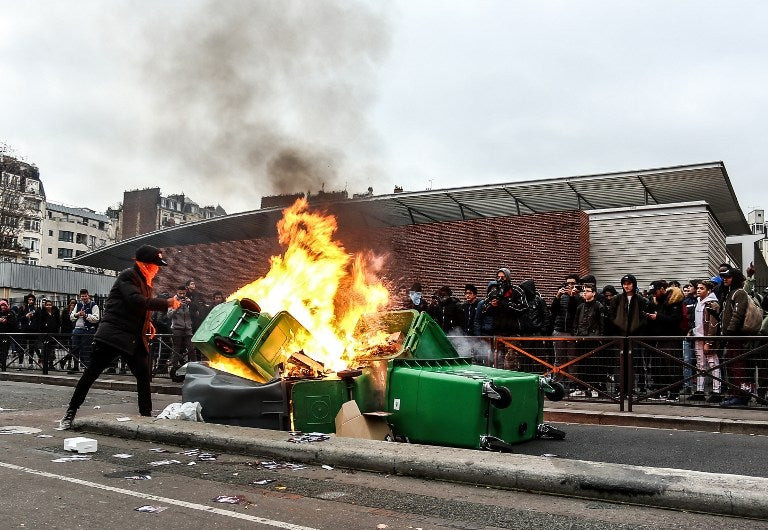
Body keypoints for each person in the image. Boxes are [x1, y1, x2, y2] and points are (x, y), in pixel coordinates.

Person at [59, 245, 181, 429]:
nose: (157, 269)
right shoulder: (128, 276)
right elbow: (136, 301)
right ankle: (70, 412)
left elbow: (141, 309)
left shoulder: (146, 282)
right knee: (91, 373)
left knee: (143, 375)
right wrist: (167, 303)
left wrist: (148, 323)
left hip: (133, 337)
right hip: (113, 335)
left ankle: (146, 416)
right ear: (145, 264)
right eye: (155, 265)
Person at [718, 267, 752, 407]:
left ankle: (740, 396)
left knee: (738, 367)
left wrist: (729, 333)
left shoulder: (739, 293)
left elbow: (737, 315)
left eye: (728, 277)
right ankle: (734, 394)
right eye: (724, 277)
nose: (725, 279)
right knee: (732, 366)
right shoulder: (730, 293)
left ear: (736, 278)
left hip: (736, 337)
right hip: (731, 337)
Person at [610, 274, 648, 394]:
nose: (626, 286)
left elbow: (643, 317)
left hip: (634, 336)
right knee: (619, 363)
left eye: (629, 283)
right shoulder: (617, 299)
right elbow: (611, 316)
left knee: (632, 363)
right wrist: (617, 327)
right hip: (619, 336)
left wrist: (637, 331)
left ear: (634, 284)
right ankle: (619, 388)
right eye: (624, 283)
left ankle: (630, 389)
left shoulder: (640, 300)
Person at [688, 280, 722, 403]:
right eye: (698, 288)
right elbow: (697, 322)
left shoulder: (712, 304)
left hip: (706, 338)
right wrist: (692, 331)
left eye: (701, 288)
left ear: (708, 290)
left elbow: (713, 324)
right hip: (698, 337)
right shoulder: (698, 302)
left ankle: (717, 391)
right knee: (700, 364)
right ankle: (700, 390)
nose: (698, 290)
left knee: (713, 363)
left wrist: (709, 341)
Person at [572, 283, 605, 396]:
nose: (585, 292)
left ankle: (594, 388)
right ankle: (582, 387)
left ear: (594, 293)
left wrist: (600, 338)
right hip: (582, 339)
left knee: (593, 365)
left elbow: (602, 324)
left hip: (593, 340)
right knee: (582, 365)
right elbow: (576, 323)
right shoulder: (580, 307)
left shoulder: (599, 306)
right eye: (584, 290)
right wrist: (576, 335)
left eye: (588, 290)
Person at [168, 284, 196, 382]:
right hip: (177, 328)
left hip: (188, 328)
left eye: (184, 293)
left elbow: (194, 314)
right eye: (180, 293)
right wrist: (177, 307)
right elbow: (169, 315)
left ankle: (195, 371)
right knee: (176, 350)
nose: (182, 295)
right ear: (177, 292)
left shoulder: (188, 301)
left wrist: (190, 304)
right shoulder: (172, 301)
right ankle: (174, 371)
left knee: (191, 350)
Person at [68, 289, 100, 374]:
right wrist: (77, 314)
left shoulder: (94, 305)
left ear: (88, 295)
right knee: (74, 349)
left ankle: (87, 368)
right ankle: (75, 367)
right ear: (80, 296)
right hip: (77, 329)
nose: (84, 298)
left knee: (86, 349)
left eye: (85, 296)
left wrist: (86, 315)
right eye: (82, 296)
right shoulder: (78, 305)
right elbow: (71, 317)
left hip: (88, 330)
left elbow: (96, 319)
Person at [38, 299, 61, 371]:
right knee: (45, 350)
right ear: (45, 305)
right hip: (45, 333)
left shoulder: (55, 311)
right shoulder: (42, 312)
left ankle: (51, 364)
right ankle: (45, 364)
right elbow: (41, 323)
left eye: (50, 305)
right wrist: (45, 326)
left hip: (54, 333)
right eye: (47, 305)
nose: (48, 306)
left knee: (52, 350)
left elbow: (58, 321)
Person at [18, 293, 40, 367]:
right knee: (22, 347)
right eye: (29, 299)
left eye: (32, 300)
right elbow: (18, 319)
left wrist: (33, 318)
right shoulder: (22, 308)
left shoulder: (36, 309)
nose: (31, 301)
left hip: (33, 330)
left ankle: (31, 363)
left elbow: (38, 320)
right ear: (27, 300)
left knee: (32, 348)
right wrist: (25, 316)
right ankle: (20, 363)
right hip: (24, 330)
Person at [0, 299, 18, 372]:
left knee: (5, 349)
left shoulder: (10, 313)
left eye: (4, 305)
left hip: (7, 334)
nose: (3, 307)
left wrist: (6, 321)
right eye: (1, 306)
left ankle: (3, 363)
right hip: (0, 333)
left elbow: (13, 324)